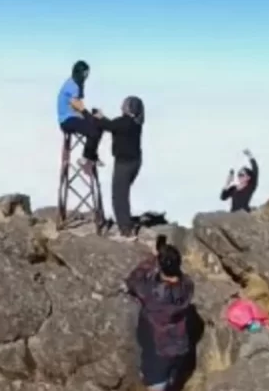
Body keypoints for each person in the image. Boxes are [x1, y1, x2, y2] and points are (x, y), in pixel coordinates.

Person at [125, 235, 195, 391]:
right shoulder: (187, 285)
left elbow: (132, 281)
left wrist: (153, 258)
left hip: (158, 352)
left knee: (157, 385)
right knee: (172, 382)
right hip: (179, 346)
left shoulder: (152, 294)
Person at [94, 96, 144, 240]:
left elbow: (109, 125)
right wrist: (103, 118)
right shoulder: (135, 123)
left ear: (129, 108)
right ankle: (126, 225)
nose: (121, 106)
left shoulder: (124, 122)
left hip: (124, 164)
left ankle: (126, 230)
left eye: (124, 104)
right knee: (123, 193)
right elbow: (113, 125)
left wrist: (98, 117)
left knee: (119, 197)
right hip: (135, 162)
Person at [56, 60, 103, 174]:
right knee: (94, 131)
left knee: (98, 125)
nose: (86, 76)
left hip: (71, 117)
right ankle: (85, 159)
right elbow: (75, 103)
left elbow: (77, 104)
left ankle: (92, 156)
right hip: (67, 120)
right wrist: (88, 115)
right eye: (85, 73)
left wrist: (89, 116)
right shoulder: (73, 85)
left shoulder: (75, 82)